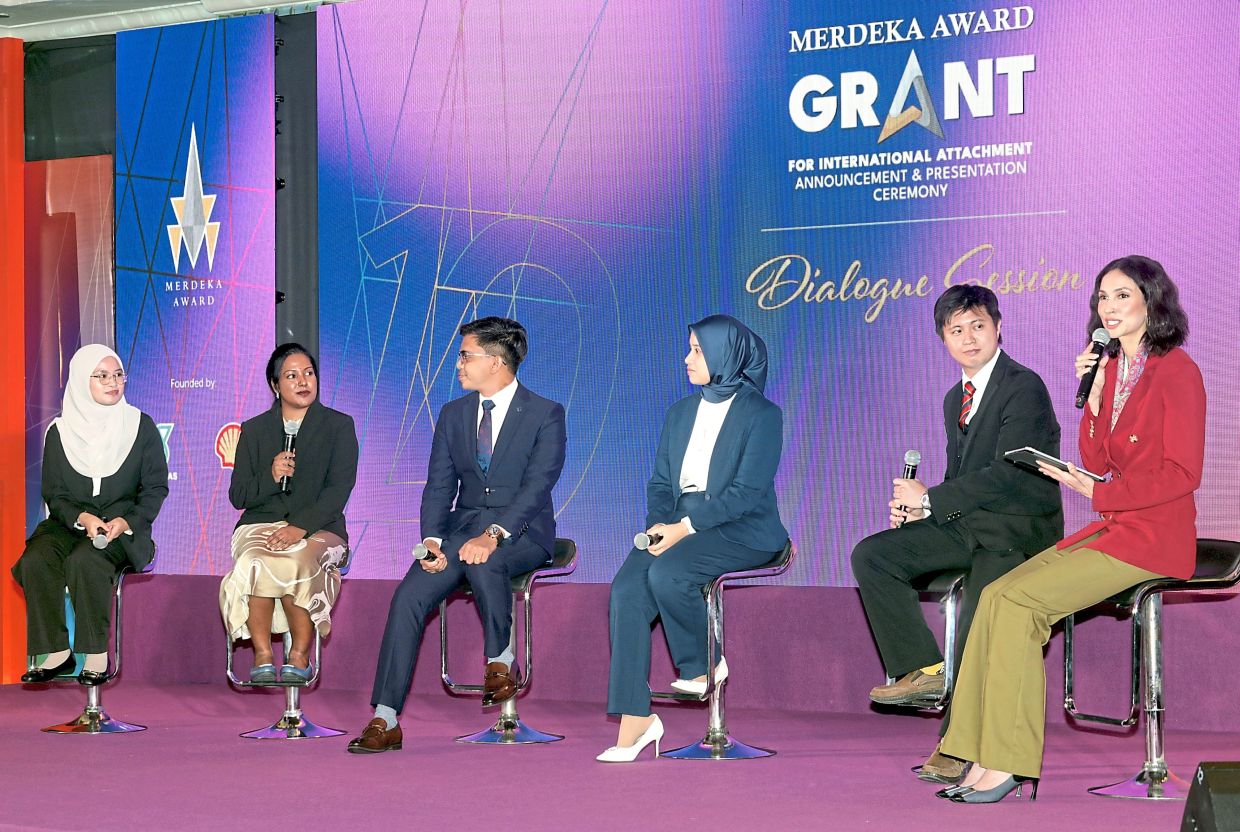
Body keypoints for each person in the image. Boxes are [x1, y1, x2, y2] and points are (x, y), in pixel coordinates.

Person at [936, 255, 1204, 803]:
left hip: (1155, 538)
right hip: (1115, 529)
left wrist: (1101, 493)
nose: (1108, 306)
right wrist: (1096, 394)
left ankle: (1008, 762)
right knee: (996, 595)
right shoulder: (1114, 369)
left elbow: (1183, 473)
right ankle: (972, 751)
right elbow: (1096, 457)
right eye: (1102, 297)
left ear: (1153, 300)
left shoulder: (1177, 370)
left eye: (1122, 295)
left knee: (1021, 604)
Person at [850, 285, 1063, 784]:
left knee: (975, 621)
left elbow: (1011, 474)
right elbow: (960, 478)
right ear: (943, 340)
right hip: (968, 525)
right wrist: (922, 512)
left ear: (998, 328)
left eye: (978, 326)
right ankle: (925, 670)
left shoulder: (1024, 386)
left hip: (1015, 532)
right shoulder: (955, 399)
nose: (968, 338)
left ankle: (956, 745)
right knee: (873, 556)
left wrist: (931, 499)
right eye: (956, 330)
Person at [348, 317, 566, 754]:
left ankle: (500, 661)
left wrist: (494, 534)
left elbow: (538, 486)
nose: (458, 364)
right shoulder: (453, 414)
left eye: (466, 356)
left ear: (497, 362)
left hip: (522, 531)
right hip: (459, 531)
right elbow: (439, 486)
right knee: (409, 596)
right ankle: (385, 718)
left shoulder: (545, 413)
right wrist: (431, 539)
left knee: (485, 559)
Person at [599, 314, 788, 762]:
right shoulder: (680, 412)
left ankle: (703, 664)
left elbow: (746, 493)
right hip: (677, 523)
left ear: (726, 354)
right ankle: (635, 720)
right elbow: (660, 484)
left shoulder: (762, 414)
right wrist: (659, 525)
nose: (687, 358)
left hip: (744, 527)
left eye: (698, 351)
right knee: (626, 590)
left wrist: (684, 528)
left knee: (669, 573)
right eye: (689, 349)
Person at [13, 344, 168, 685]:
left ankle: (96, 654)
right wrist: (82, 518)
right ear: (83, 381)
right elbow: (55, 494)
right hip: (70, 524)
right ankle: (56, 650)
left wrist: (126, 522)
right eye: (102, 376)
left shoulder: (140, 426)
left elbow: (155, 488)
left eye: (118, 375)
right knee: (36, 559)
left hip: (122, 529)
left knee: (86, 560)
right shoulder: (59, 432)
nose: (113, 382)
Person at [219, 343, 358, 685]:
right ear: (275, 385)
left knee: (297, 559)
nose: (303, 382)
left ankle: (299, 654)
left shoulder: (338, 426)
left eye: (308, 373)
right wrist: (270, 475)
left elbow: (338, 491)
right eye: (292, 376)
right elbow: (239, 496)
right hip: (260, 524)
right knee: (255, 559)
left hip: (321, 526)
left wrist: (300, 527)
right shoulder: (254, 430)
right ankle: (262, 654)